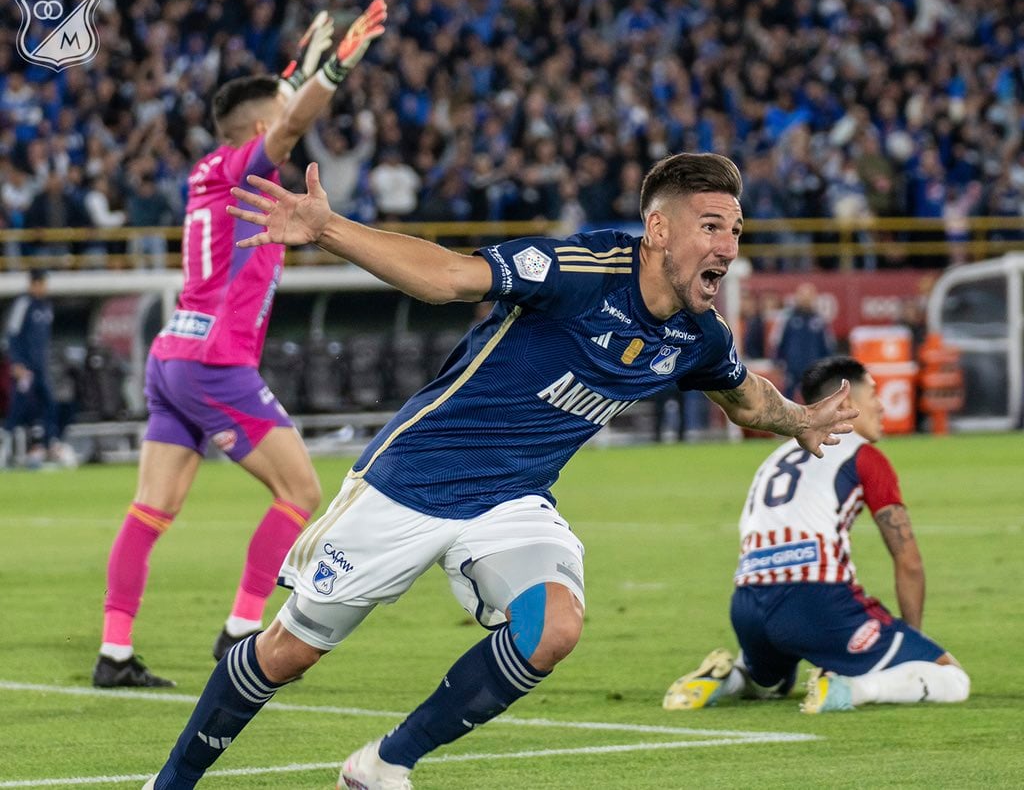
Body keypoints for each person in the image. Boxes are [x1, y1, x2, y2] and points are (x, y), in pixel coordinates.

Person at [144, 152, 858, 790]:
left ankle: (383, 765)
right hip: (413, 480)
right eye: (711, 227)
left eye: (736, 231)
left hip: (512, 500)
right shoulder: (577, 272)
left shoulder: (697, 334)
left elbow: (744, 397)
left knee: (553, 627)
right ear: (659, 230)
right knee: (288, 651)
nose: (728, 248)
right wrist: (329, 229)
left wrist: (800, 418)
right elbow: (450, 278)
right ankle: (171, 783)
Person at [92, 0, 388, 689]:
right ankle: (240, 632)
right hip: (216, 361)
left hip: (173, 355)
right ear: (259, 130)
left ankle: (113, 654)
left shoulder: (211, 169)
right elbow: (287, 119)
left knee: (150, 510)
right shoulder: (248, 165)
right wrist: (335, 72)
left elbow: (274, 106)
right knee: (300, 491)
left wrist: (299, 66)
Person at [663, 356, 970, 715]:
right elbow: (909, 562)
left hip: (747, 606)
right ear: (848, 403)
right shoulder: (864, 455)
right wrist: (910, 643)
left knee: (772, 682)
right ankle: (849, 689)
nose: (882, 406)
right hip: (818, 604)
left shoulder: (774, 458)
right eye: (874, 395)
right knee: (951, 678)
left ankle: (727, 677)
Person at [1, 268, 59, 467]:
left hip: (40, 367)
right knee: (20, 407)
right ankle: (5, 445)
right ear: (33, 284)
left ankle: (46, 445)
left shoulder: (46, 307)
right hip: (25, 368)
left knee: (49, 405)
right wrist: (16, 362)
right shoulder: (23, 304)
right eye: (41, 283)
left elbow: (44, 340)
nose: (44, 287)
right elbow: (12, 334)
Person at [774, 282, 835, 400]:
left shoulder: (820, 321)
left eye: (809, 296)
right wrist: (778, 363)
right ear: (796, 297)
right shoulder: (788, 319)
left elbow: (828, 347)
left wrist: (826, 368)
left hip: (814, 371)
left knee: (816, 402)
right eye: (802, 295)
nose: (805, 299)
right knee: (787, 403)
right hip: (792, 370)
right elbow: (778, 343)